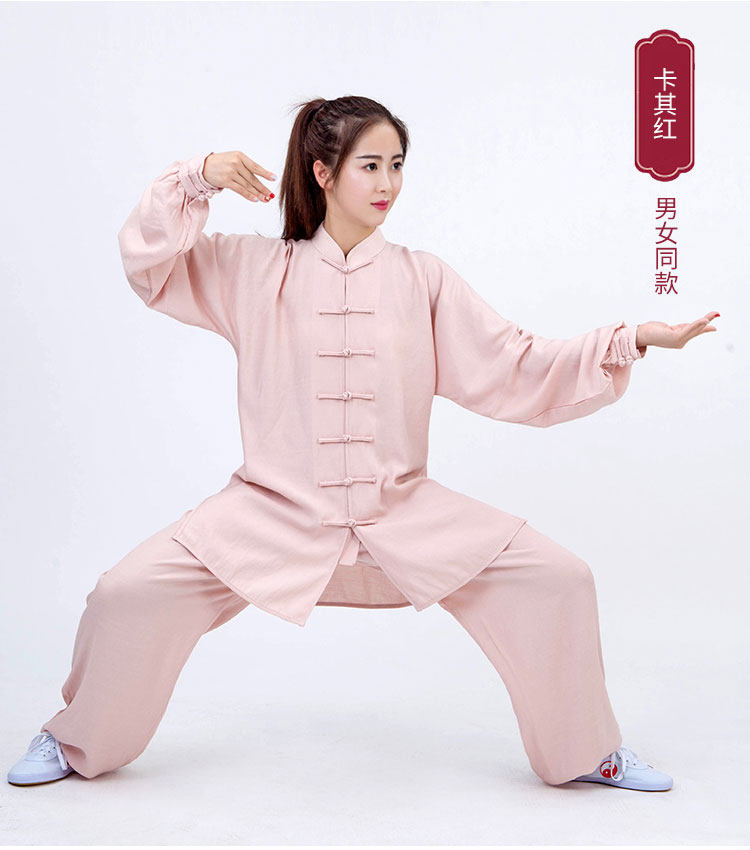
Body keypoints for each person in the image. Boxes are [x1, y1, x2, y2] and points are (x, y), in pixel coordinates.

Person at [8, 95, 718, 791]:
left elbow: (514, 363)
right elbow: (151, 267)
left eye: (397, 165)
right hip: (269, 511)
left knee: (559, 578)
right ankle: (74, 739)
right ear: (323, 172)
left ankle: (587, 751)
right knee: (126, 594)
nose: (388, 184)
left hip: (401, 509)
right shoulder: (252, 270)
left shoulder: (423, 278)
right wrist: (197, 177)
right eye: (370, 166)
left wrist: (631, 338)